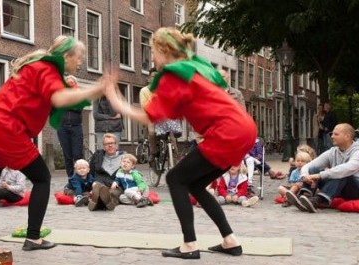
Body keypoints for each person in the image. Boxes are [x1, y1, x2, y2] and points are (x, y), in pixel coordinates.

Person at [103, 27, 257, 259]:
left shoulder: (174, 75)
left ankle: (189, 244)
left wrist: (114, 97)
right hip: (244, 129)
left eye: (153, 51)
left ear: (164, 51)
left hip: (227, 132)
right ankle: (230, 240)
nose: (151, 57)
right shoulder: (194, 68)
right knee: (194, 185)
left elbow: (149, 116)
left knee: (175, 178)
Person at [0, 35, 103, 251]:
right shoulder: (47, 68)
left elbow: (48, 102)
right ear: (67, 56)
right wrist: (95, 89)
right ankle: (33, 238)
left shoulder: (39, 67)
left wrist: (68, 87)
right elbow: (58, 100)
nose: (80, 63)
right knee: (42, 178)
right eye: (79, 58)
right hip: (7, 126)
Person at [286, 123, 359, 213]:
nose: (332, 136)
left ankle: (318, 200)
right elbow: (309, 165)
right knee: (313, 169)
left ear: (347, 136)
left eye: (336, 134)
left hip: (355, 189)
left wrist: (319, 175)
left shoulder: (357, 151)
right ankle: (305, 195)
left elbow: (347, 168)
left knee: (341, 173)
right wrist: (305, 175)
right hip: (338, 187)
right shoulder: (333, 152)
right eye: (332, 134)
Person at [88, 133, 125, 211]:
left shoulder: (124, 157)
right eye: (107, 144)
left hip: (115, 186)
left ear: (116, 145)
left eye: (112, 143)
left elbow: (130, 174)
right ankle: (104, 202)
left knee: (112, 193)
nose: (110, 145)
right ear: (104, 146)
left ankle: (98, 203)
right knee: (99, 190)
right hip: (99, 185)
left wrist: (117, 182)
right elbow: (90, 173)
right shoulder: (97, 156)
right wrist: (93, 182)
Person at [57, 75, 84, 178]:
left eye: (71, 82)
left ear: (75, 83)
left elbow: (78, 108)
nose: (69, 84)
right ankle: (70, 177)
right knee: (67, 155)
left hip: (76, 127)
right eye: (67, 82)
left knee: (77, 154)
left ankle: (80, 176)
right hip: (62, 127)